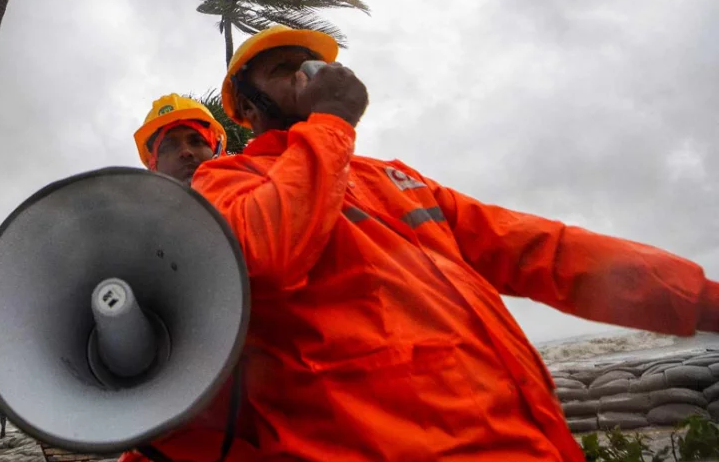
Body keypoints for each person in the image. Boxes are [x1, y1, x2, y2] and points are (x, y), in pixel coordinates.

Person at [122, 25, 719, 462]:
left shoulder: (392, 178)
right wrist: (330, 124)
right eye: (286, 70)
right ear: (249, 109)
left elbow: (547, 251)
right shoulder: (227, 182)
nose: (309, 74)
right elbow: (270, 253)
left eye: (310, 62)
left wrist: (704, 301)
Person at [134, 93, 227, 185]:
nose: (185, 152)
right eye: (169, 146)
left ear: (217, 150)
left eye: (197, 141)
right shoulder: (128, 199)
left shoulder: (240, 192)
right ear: (153, 165)